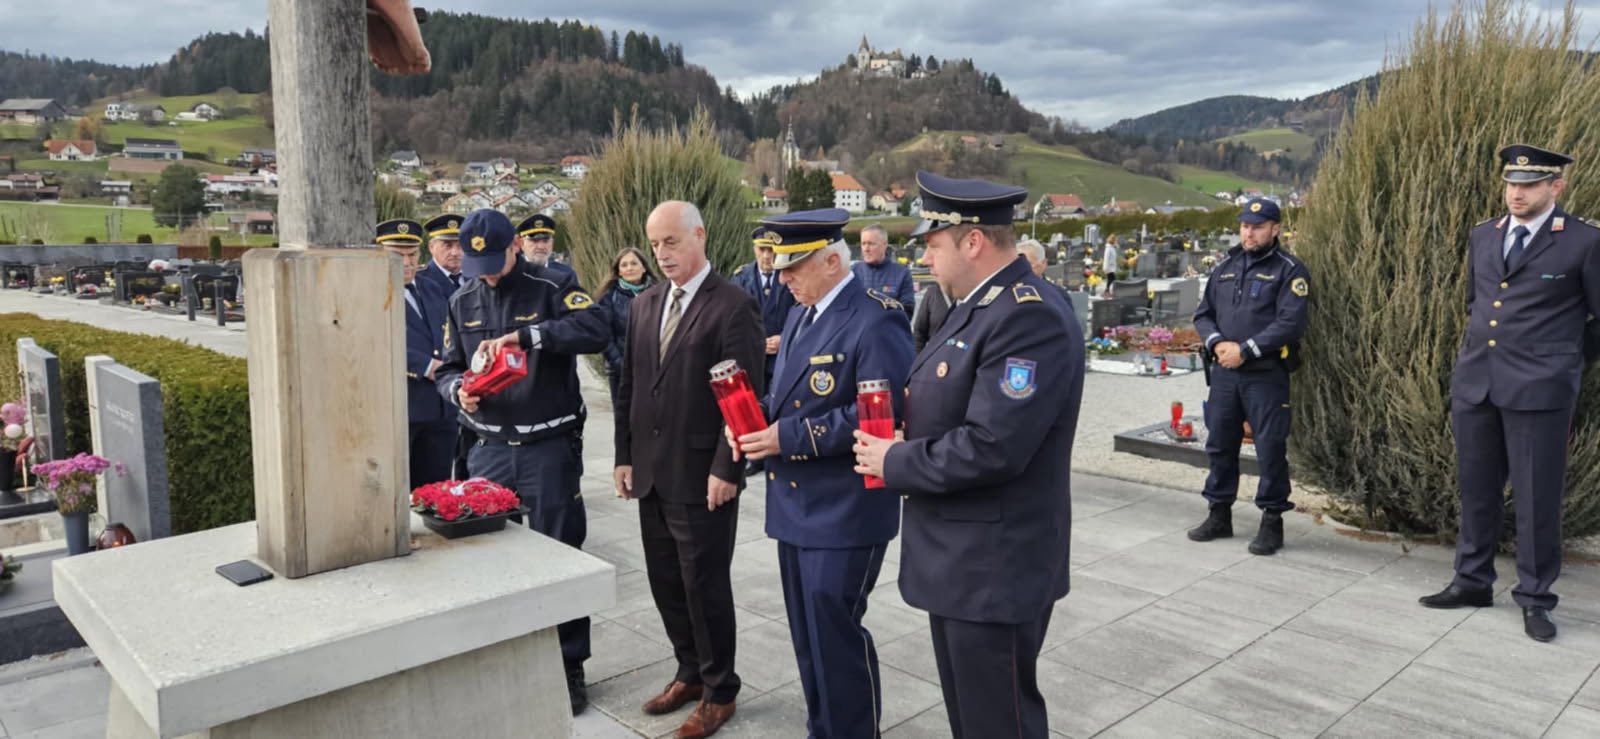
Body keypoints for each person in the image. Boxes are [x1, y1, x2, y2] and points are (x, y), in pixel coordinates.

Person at [853, 171, 1083, 738]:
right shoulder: (973, 304)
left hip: (993, 566)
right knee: (972, 718)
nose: (926, 257)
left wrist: (896, 460)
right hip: (961, 560)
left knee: (998, 721)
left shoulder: (1025, 315)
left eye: (933, 244)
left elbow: (994, 446)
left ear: (972, 241)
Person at [728, 208, 914, 738]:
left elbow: (884, 413)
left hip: (847, 505)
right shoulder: (800, 316)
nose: (782, 278)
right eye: (781, 267)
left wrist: (785, 437)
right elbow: (786, 398)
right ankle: (823, 729)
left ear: (833, 261)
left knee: (835, 634)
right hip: (795, 504)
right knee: (809, 637)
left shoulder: (876, 316)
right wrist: (752, 422)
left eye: (794, 267)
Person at [1420, 144, 1600, 643]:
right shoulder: (1484, 235)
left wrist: (1562, 359)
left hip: (1540, 391)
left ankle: (1536, 597)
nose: (1516, 193)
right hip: (1478, 383)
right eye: (1511, 184)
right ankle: (1473, 581)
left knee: (1537, 497)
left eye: (1529, 185)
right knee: (1477, 491)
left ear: (1555, 187)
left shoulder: (1583, 241)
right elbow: (1477, 303)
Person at [433, 209, 608, 714]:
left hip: (547, 448)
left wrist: (531, 337)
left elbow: (596, 328)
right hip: (488, 451)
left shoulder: (552, 283)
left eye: (493, 260)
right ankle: (505, 656)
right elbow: (447, 368)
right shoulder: (461, 297)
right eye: (476, 263)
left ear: (515, 247)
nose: (485, 273)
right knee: (493, 560)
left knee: (561, 556)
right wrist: (457, 392)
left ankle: (569, 663)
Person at [613, 201, 764, 739]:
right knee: (666, 582)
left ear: (699, 236)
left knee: (705, 586)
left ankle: (721, 689)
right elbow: (628, 385)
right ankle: (690, 671)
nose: (661, 254)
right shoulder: (645, 303)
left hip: (704, 476)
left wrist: (729, 467)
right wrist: (623, 455)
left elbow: (745, 397)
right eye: (654, 245)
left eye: (671, 242)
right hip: (653, 472)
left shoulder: (733, 306)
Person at [1188, 198, 1310, 556]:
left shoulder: (1290, 270)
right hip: (1225, 374)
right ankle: (1219, 513)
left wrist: (1246, 349)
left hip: (1265, 375)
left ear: (1275, 229)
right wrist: (1218, 343)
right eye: (1244, 225)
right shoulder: (1226, 266)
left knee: (1270, 447)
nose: (1249, 232)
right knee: (1220, 443)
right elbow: (1203, 313)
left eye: (1257, 226)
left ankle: (1272, 521)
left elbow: (1290, 323)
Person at [376, 218, 452, 487]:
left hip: (441, 409)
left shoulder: (432, 288)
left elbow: (446, 334)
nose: (407, 263)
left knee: (437, 488)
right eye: (398, 255)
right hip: (402, 407)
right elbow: (376, 340)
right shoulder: (370, 293)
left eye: (412, 255)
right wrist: (424, 365)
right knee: (397, 489)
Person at [416, 214, 469, 478]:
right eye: (447, 245)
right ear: (431, 247)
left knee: (468, 458)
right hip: (434, 387)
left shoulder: (475, 279)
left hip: (472, 383)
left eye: (460, 244)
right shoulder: (422, 282)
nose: (456, 252)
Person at [596, 247, 658, 407]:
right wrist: (622, 366)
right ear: (619, 271)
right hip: (621, 372)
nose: (629, 268)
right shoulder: (608, 297)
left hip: (654, 370)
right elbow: (604, 335)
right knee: (626, 421)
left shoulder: (659, 292)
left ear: (644, 268)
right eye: (624, 265)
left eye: (634, 263)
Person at [851, 223, 916, 317]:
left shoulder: (902, 274)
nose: (866, 249)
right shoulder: (852, 272)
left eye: (871, 244)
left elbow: (907, 312)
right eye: (863, 243)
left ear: (885, 245)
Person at [516, 213, 576, 280]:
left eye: (545, 241)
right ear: (521, 243)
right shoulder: (510, 275)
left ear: (552, 243)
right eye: (534, 241)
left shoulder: (566, 274)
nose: (541, 246)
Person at [910, 280, 951, 352]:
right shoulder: (932, 293)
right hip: (936, 354)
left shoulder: (970, 294)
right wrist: (918, 359)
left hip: (964, 356)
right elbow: (919, 332)